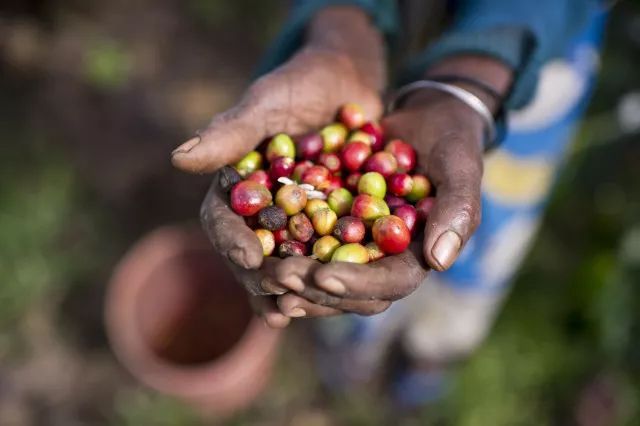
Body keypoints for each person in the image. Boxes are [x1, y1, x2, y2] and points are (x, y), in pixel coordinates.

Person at [171, 0, 607, 405]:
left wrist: (471, 84)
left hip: (530, 51)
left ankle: (434, 349)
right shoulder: (333, 195)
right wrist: (340, 25)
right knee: (345, 285)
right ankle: (354, 346)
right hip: (382, 52)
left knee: (481, 233)